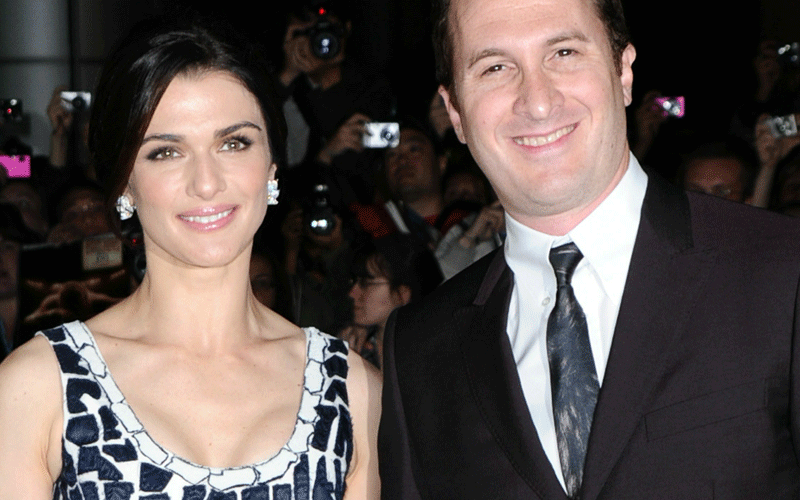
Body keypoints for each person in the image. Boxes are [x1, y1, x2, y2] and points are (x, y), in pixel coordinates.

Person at [378, 0, 800, 498]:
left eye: (563, 52)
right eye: (495, 67)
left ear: (623, 71)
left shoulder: (780, 269)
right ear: (456, 113)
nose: (536, 101)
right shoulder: (419, 350)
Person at [0, 17, 380, 499]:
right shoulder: (38, 387)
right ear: (125, 183)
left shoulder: (352, 391)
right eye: (166, 152)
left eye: (234, 143)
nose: (206, 182)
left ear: (271, 167)